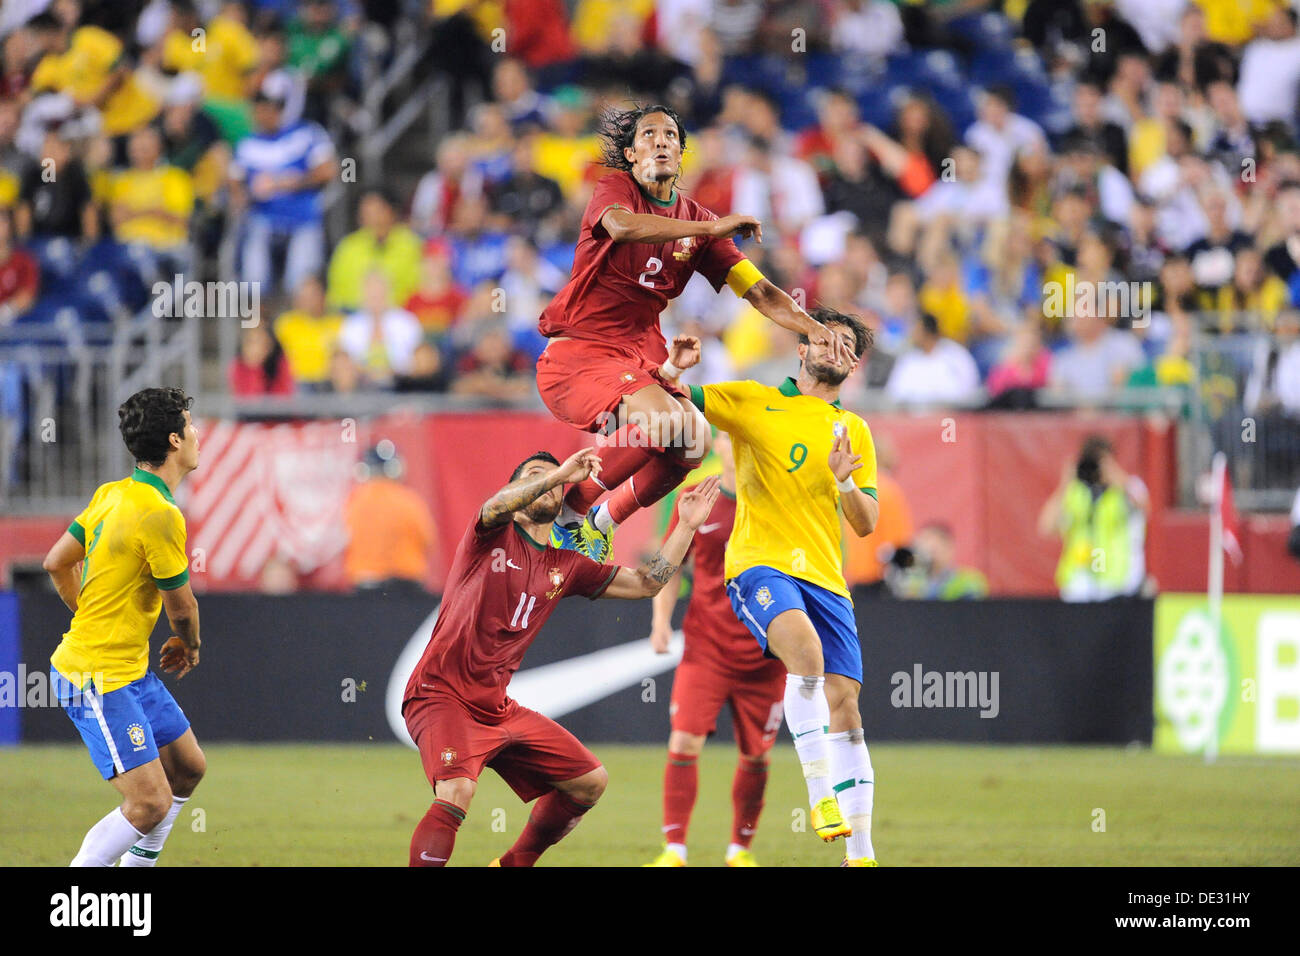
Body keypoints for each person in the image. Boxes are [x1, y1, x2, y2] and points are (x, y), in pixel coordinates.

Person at [535, 103, 852, 561]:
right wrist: (710, 226)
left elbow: (759, 292)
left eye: (670, 135)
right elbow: (622, 228)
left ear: (681, 154)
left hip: (635, 357)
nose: (660, 141)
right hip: (579, 355)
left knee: (693, 440)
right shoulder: (615, 190)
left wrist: (814, 328)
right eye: (648, 134)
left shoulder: (698, 224)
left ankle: (600, 523)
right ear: (630, 153)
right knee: (666, 421)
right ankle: (571, 511)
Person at [402, 448, 721, 867]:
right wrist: (560, 474)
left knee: (589, 783)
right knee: (457, 792)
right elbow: (497, 503)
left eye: (557, 481)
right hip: (440, 693)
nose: (551, 483)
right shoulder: (490, 535)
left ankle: (514, 864)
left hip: (494, 707)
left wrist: (684, 528)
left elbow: (647, 584)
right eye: (536, 475)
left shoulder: (565, 566)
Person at [686, 305, 881, 866]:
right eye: (825, 338)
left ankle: (861, 854)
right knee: (807, 657)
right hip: (760, 562)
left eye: (847, 345)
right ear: (802, 347)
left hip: (826, 577)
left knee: (845, 707)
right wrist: (677, 371)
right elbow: (681, 399)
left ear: (854, 364)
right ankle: (821, 797)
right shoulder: (752, 400)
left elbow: (866, 523)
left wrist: (844, 480)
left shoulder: (855, 430)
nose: (834, 348)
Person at [40, 387, 205, 866]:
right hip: (95, 675)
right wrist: (189, 645)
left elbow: (55, 563)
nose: (197, 433)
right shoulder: (159, 514)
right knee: (149, 802)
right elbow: (182, 608)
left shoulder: (113, 494)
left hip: (127, 672)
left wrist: (90, 614)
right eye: (191, 425)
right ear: (175, 440)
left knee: (187, 768)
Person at [643, 431, 787, 868]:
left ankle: (739, 851)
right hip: (706, 646)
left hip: (767, 653)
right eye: (732, 437)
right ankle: (675, 850)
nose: (740, 444)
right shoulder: (694, 497)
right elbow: (669, 565)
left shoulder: (781, 503)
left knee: (756, 754)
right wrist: (660, 621)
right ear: (719, 445)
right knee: (684, 740)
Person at [1038, 435, 1149, 602]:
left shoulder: (1125, 490)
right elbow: (1046, 527)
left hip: (1116, 584)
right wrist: (1065, 484)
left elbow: (1144, 505)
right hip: (1080, 584)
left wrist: (1116, 477)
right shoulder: (1075, 493)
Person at [344, 442, 436, 594]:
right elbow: (427, 539)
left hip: (365, 586)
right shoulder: (409, 501)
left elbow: (345, 540)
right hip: (405, 586)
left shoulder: (354, 503)